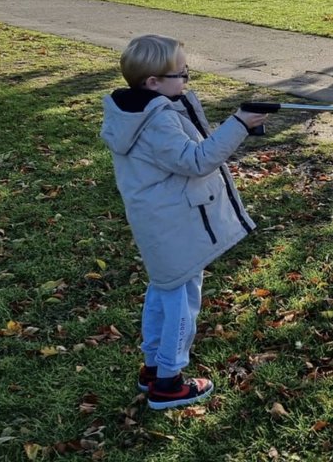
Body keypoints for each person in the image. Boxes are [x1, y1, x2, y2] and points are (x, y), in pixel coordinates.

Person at [101, 35, 267, 410]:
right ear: (153, 82)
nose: (187, 81)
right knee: (181, 296)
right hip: (170, 222)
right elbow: (196, 161)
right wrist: (239, 123)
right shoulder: (156, 121)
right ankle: (169, 382)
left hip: (162, 219)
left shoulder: (141, 109)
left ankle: (153, 368)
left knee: (164, 288)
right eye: (181, 74)